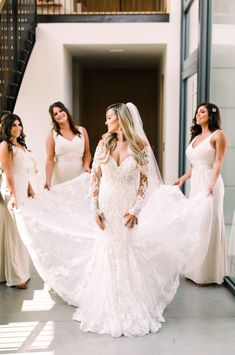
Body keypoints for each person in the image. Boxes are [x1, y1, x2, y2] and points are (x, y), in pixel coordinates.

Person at [15, 103, 213, 337]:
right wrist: (94, 209)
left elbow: (144, 181)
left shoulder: (139, 145)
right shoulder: (103, 144)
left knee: (126, 250)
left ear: (121, 119)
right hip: (107, 207)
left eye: (109, 117)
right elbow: (95, 179)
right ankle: (106, 305)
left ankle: (129, 305)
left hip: (127, 208)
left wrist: (136, 210)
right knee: (107, 251)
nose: (106, 121)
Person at [174, 102, 227, 285]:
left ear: (212, 114)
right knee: (196, 225)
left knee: (208, 224)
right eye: (197, 112)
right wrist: (183, 178)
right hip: (196, 182)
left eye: (202, 111)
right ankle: (195, 271)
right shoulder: (196, 136)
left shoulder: (218, 135)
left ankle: (209, 273)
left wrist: (212, 183)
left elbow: (218, 162)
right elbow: (195, 165)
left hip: (210, 183)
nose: (198, 114)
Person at [0, 113, 35, 289]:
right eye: (13, 125)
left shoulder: (20, 145)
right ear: (7, 127)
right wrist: (13, 194)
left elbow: (23, 170)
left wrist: (29, 187)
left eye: (19, 124)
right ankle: (15, 277)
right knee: (15, 231)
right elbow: (8, 172)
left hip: (22, 187)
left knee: (21, 231)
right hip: (11, 189)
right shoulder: (5, 146)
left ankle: (21, 271)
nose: (17, 128)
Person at [44, 101, 91, 190]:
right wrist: (48, 180)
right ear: (53, 118)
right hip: (60, 178)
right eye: (55, 114)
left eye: (61, 111)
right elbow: (50, 159)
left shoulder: (82, 130)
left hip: (79, 175)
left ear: (66, 111)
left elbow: (87, 153)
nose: (59, 114)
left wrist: (86, 166)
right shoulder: (52, 134)